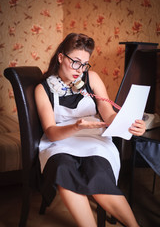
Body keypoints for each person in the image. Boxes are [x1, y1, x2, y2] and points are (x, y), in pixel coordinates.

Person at [35, 33, 145, 227]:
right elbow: (51, 131)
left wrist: (128, 122)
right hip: (59, 142)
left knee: (98, 173)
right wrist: (75, 126)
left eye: (85, 64)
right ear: (61, 58)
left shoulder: (91, 78)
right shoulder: (43, 89)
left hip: (93, 139)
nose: (80, 69)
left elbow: (108, 114)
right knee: (63, 168)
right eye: (76, 62)